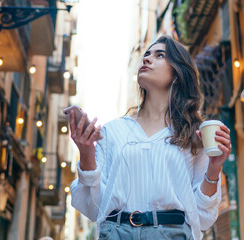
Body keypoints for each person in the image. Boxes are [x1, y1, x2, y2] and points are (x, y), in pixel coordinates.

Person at [69, 35, 232, 240]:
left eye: (159, 55)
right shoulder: (112, 131)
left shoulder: (194, 134)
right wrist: (86, 153)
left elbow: (203, 216)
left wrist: (214, 167)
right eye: (146, 54)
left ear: (177, 73)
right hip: (116, 233)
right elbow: (93, 208)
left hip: (173, 234)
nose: (146, 59)